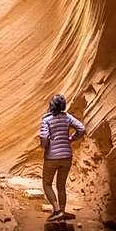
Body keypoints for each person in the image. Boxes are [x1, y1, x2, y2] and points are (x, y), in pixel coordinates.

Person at [39, 94, 86, 222]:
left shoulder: (46, 120)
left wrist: (44, 146)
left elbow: (44, 137)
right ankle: (63, 212)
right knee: (61, 186)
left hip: (52, 157)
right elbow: (81, 129)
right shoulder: (67, 117)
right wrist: (70, 139)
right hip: (66, 156)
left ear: (51, 105)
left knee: (47, 184)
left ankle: (57, 210)